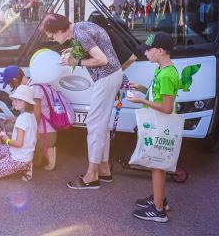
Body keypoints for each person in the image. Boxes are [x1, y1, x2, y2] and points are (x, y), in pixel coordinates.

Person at [41, 13, 122, 189]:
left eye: (52, 35)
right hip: (112, 75)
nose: (52, 39)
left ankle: (91, 176)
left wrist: (76, 61)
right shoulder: (80, 27)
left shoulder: (80, 34)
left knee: (93, 124)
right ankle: (104, 169)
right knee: (101, 125)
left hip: (106, 77)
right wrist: (74, 55)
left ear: (59, 30)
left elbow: (102, 59)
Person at [127, 32, 180, 222]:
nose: (146, 53)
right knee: (156, 164)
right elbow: (157, 94)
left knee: (157, 165)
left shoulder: (166, 75)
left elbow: (166, 107)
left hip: (159, 125)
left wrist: (141, 100)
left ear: (160, 50)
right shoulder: (162, 69)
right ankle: (160, 200)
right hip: (156, 124)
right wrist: (142, 88)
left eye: (148, 50)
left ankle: (158, 211)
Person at [0, 85, 37, 181]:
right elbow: (31, 136)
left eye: (20, 99)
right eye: (14, 99)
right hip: (25, 154)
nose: (15, 102)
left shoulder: (22, 119)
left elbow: (18, 144)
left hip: (18, 158)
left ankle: (22, 167)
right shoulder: (31, 115)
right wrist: (10, 135)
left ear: (27, 103)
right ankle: (25, 164)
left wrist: (5, 139)